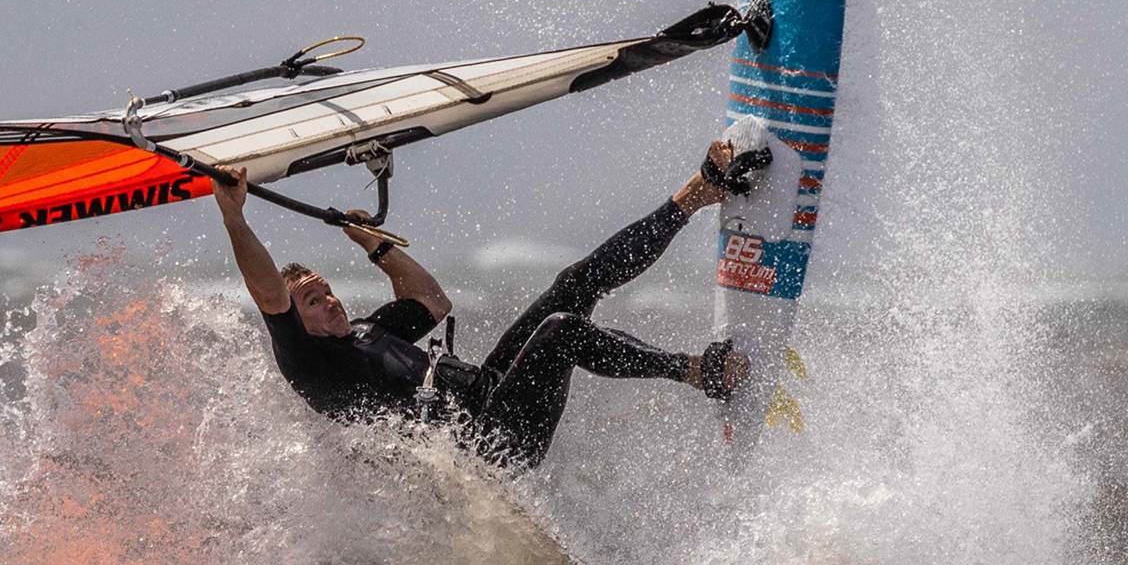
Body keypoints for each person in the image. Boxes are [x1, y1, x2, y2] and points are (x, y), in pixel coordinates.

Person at [212, 139, 758, 468]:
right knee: (561, 331)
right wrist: (234, 215)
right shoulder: (309, 364)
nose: (329, 300)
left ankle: (695, 197)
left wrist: (372, 244)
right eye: (312, 300)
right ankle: (698, 373)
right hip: (488, 448)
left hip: (492, 394)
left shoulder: (364, 331)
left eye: (326, 289)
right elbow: (269, 294)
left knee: (573, 285)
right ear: (294, 319)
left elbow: (431, 301)